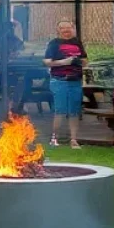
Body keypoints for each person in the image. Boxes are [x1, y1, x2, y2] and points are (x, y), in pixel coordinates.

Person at [43, 20, 88, 149]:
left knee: (74, 111)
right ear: (59, 30)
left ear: (73, 29)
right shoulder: (54, 44)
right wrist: (64, 62)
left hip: (75, 81)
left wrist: (79, 61)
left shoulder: (77, 43)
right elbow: (46, 62)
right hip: (59, 80)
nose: (66, 30)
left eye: (69, 28)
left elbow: (85, 60)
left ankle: (74, 140)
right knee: (60, 110)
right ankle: (54, 138)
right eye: (63, 28)